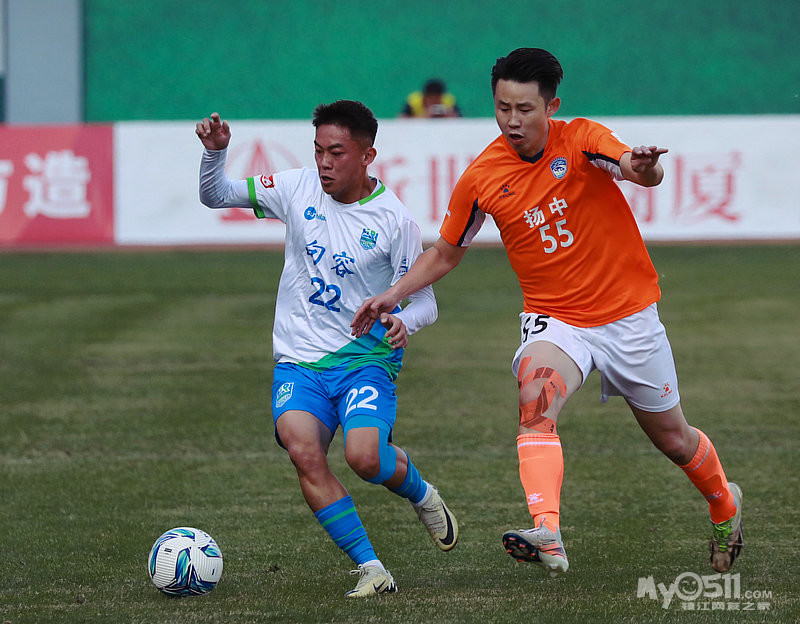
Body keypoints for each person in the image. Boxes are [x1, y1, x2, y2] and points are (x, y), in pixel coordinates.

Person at [352, 48, 743, 577]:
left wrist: (646, 166)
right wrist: (393, 293)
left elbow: (633, 168)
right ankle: (548, 531)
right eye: (502, 108)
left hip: (628, 315)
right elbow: (445, 251)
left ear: (551, 106)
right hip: (555, 321)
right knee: (535, 400)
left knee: (674, 439)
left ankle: (724, 504)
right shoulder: (482, 177)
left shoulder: (582, 139)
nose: (512, 121)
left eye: (525, 109)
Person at [195, 101, 459, 598]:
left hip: (364, 360)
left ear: (367, 156)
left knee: (365, 458)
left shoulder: (394, 221)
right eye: (318, 151)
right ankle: (371, 568)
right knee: (303, 450)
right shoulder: (296, 187)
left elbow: (425, 301)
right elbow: (216, 195)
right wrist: (215, 153)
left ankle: (421, 493)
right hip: (299, 360)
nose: (324, 163)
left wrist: (402, 320)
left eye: (336, 153)